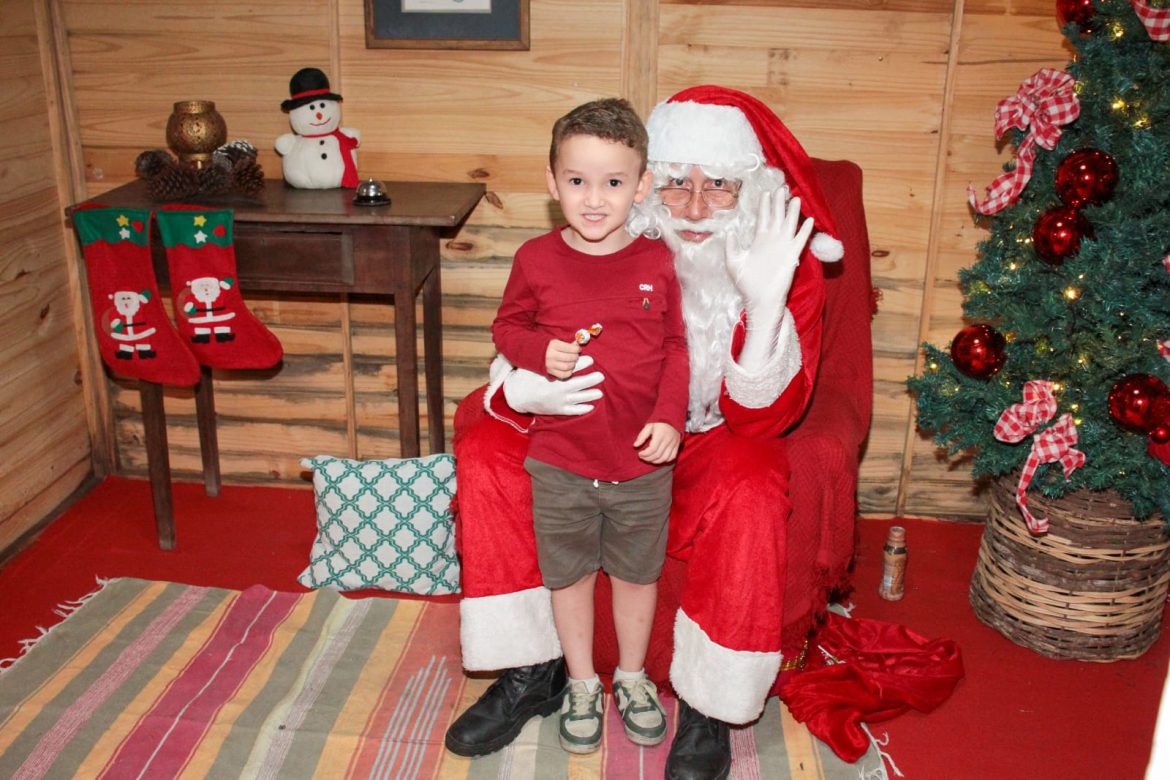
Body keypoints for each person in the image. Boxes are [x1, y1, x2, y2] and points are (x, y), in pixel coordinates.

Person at [445, 85, 844, 780]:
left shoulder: (781, 259)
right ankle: (532, 667)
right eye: (679, 184)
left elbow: (765, 418)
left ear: (750, 191)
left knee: (752, 487)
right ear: (651, 185)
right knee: (483, 440)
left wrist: (763, 301)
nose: (692, 208)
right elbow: (530, 320)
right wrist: (518, 384)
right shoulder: (603, 238)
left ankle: (710, 700)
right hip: (589, 422)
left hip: (712, 433)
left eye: (718, 185)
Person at [490, 97, 689, 754]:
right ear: (552, 183)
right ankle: (580, 681)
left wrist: (668, 419)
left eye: (613, 182)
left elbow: (675, 349)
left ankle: (630, 677)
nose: (595, 199)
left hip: (640, 463)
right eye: (577, 181)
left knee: (636, 572)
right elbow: (507, 326)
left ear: (642, 185)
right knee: (568, 574)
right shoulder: (535, 258)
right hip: (561, 458)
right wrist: (534, 353)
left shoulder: (659, 260)